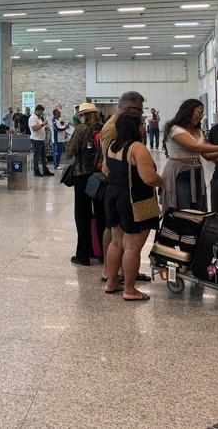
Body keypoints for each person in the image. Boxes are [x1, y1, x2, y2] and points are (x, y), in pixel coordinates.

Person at [102, 112, 164, 301]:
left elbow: (106, 170)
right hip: (136, 199)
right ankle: (129, 290)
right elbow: (149, 178)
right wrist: (163, 182)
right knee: (132, 247)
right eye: (142, 124)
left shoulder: (112, 145)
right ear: (135, 127)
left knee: (116, 241)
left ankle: (111, 282)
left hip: (113, 195)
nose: (144, 126)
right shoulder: (137, 148)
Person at [160, 99, 218, 212]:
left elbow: (207, 155)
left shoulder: (198, 132)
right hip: (180, 172)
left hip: (196, 171)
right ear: (189, 110)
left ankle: (194, 230)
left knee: (198, 209)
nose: (201, 116)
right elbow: (196, 147)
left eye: (202, 113)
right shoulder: (174, 129)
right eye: (199, 112)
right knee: (181, 208)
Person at [65, 103, 104, 266]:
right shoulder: (104, 128)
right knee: (101, 215)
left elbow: (70, 151)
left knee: (83, 214)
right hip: (100, 176)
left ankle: (83, 254)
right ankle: (102, 252)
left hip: (82, 175)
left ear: (83, 115)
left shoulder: (81, 129)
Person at [100, 90, 145, 160]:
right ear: (127, 109)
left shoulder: (124, 125)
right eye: (139, 110)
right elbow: (107, 163)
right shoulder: (112, 129)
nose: (141, 113)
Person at [28, 104, 53, 176]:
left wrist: (45, 128)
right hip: (36, 140)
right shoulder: (32, 118)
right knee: (36, 156)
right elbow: (34, 128)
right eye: (41, 112)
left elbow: (39, 128)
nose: (41, 113)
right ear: (37, 111)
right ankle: (36, 171)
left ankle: (45, 170)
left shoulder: (38, 118)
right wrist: (42, 125)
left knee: (43, 156)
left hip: (41, 139)